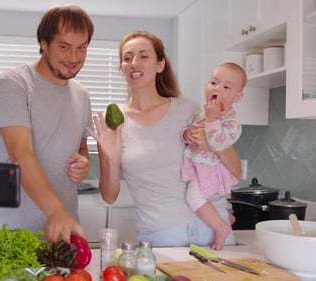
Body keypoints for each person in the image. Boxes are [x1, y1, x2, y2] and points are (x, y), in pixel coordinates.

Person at [88, 31, 242, 248]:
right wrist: (112, 159)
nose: (134, 63)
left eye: (144, 56)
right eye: (127, 57)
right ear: (121, 67)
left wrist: (212, 145)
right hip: (162, 236)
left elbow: (235, 170)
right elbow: (109, 196)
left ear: (160, 64)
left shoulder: (188, 109)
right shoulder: (113, 121)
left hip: (214, 227)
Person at [0, 4, 95, 250]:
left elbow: (81, 147)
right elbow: (20, 154)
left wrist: (82, 163)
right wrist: (57, 211)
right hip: (10, 234)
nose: (73, 58)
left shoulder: (82, 95)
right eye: (64, 47)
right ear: (43, 43)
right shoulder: (13, 85)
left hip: (61, 234)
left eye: (81, 48)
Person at [181, 62, 246, 250]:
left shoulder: (232, 120)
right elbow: (190, 128)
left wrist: (213, 119)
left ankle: (221, 227)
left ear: (238, 96)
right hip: (198, 167)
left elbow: (218, 144)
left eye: (226, 87)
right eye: (213, 83)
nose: (217, 88)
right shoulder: (201, 110)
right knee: (210, 198)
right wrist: (186, 134)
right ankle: (227, 213)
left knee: (193, 197)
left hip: (211, 171)